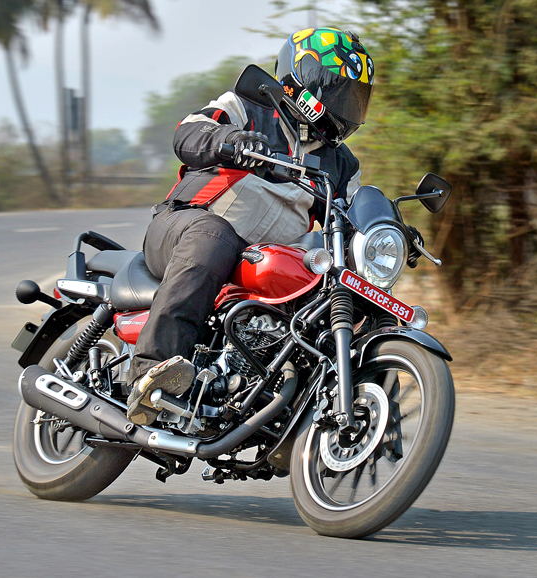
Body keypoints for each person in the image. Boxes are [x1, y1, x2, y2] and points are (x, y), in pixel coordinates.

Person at [126, 27, 375, 424]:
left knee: (348, 293)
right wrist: (233, 141)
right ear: (304, 80)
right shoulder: (249, 106)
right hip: (185, 228)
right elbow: (189, 132)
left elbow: (351, 218)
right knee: (215, 236)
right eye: (338, 92)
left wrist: (384, 234)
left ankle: (297, 413)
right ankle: (149, 373)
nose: (346, 107)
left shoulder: (342, 164)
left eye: (354, 98)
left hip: (254, 264)